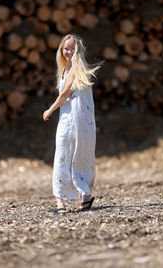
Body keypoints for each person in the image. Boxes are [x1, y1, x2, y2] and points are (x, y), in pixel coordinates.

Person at [43, 34, 102, 213]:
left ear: (78, 51)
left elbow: (66, 93)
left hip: (79, 121)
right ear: (61, 49)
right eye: (66, 48)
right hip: (67, 120)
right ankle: (60, 201)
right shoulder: (64, 70)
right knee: (62, 155)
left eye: (72, 49)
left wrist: (50, 110)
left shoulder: (77, 69)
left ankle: (86, 196)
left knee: (82, 157)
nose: (68, 52)